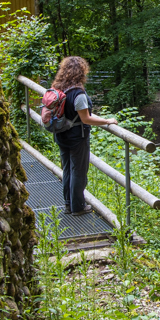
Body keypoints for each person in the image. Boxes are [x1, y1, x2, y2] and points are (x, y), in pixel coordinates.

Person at [49, 56, 117, 215]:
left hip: (61, 135)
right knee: (78, 171)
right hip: (76, 137)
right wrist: (107, 121)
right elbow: (86, 118)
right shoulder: (78, 93)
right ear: (81, 72)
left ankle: (68, 204)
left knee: (67, 169)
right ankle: (78, 206)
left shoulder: (58, 88)